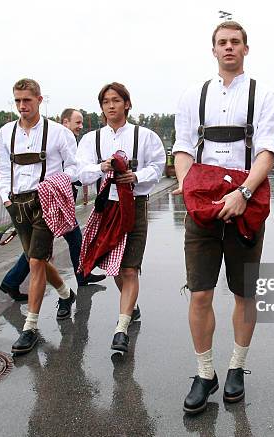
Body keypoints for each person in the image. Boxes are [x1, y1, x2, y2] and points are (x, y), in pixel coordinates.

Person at [172, 21, 274, 414]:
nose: (229, 48)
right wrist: (191, 191)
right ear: (213, 50)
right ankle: (205, 373)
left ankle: (237, 367)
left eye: (235, 42)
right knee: (200, 292)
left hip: (246, 203)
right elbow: (183, 147)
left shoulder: (265, 95)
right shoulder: (192, 95)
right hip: (202, 204)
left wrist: (245, 192)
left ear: (246, 49)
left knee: (244, 292)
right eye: (222, 43)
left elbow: (267, 149)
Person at [76, 82, 166, 353]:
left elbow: (158, 166)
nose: (111, 105)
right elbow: (80, 171)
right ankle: (130, 305)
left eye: (116, 100)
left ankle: (121, 327)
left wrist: (136, 176)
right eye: (106, 101)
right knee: (115, 268)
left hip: (135, 205)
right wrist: (100, 167)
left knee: (129, 268)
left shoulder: (145, 135)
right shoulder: (92, 139)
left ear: (127, 104)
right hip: (107, 207)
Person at [0, 78, 79, 354]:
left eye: (27, 100)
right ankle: (66, 294)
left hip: (45, 202)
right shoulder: (6, 132)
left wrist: (54, 187)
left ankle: (29, 327)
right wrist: (6, 198)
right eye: (18, 100)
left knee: (35, 262)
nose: (22, 106)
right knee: (38, 259)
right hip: (17, 203)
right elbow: (4, 170)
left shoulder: (58, 133)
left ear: (40, 100)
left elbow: (74, 169)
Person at [0, 109, 105, 302]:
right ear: (65, 122)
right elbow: (73, 170)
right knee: (45, 247)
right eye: (78, 122)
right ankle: (78, 277)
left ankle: (13, 282)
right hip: (51, 200)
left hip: (59, 198)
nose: (81, 126)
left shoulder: (63, 138)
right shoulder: (58, 138)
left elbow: (73, 169)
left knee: (48, 245)